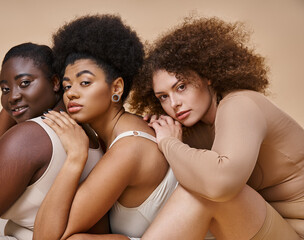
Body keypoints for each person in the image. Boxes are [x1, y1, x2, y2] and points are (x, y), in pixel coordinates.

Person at [129, 16, 304, 239]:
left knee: (203, 193)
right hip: (266, 227)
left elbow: (219, 184)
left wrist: (168, 142)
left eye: (181, 87)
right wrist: (160, 128)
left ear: (207, 76)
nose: (174, 104)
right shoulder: (202, 125)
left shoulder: (240, 105)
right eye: (163, 97)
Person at [33, 14, 178, 240]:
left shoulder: (130, 147)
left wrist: (76, 157)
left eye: (85, 82)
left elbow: (46, 238)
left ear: (116, 87)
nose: (70, 93)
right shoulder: (114, 135)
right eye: (67, 85)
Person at [0, 42, 102, 240]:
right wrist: (19, 98)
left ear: (55, 82)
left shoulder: (29, 137)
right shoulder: (88, 132)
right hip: (25, 230)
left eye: (25, 82)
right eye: (4, 89)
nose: (12, 96)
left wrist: (18, 98)